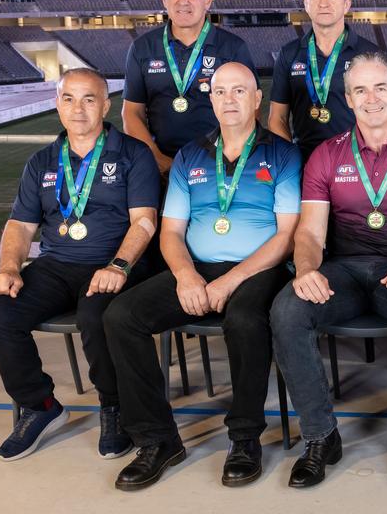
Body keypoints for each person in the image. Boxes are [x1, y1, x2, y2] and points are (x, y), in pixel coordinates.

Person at [104, 62, 301, 490]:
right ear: (210, 100)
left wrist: (231, 282)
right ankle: (157, 439)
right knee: (121, 316)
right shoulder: (191, 155)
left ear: (256, 99)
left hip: (259, 267)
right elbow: (171, 230)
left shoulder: (282, 154)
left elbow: (287, 236)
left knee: (245, 320)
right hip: (198, 267)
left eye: (239, 91)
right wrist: (186, 276)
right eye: (220, 91)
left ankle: (245, 438)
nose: (229, 99)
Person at [270, 52, 387, 488]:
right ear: (348, 100)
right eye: (360, 90)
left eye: (380, 88)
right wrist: (306, 270)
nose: (371, 98)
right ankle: (320, 436)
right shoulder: (325, 156)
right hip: (344, 271)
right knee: (287, 310)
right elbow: (310, 234)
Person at [0, 68, 159, 461]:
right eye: (68, 98)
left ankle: (114, 407)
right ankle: (40, 406)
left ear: (105, 105)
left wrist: (119, 266)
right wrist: (9, 268)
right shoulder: (41, 160)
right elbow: (20, 225)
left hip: (117, 265)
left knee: (96, 316)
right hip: (55, 267)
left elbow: (144, 220)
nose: (78, 109)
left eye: (89, 99)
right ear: (57, 104)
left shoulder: (132, 153)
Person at [122, 0, 253, 174]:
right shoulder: (142, 48)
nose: (183, 0)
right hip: (159, 167)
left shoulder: (233, 48)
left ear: (207, 0)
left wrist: (227, 161)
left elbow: (249, 114)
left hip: (219, 166)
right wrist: (158, 161)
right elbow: (131, 113)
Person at [269, 0, 381, 160]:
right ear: (305, 3)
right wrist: (290, 161)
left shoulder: (369, 53)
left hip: (356, 163)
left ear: (347, 4)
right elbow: (277, 118)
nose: (323, 3)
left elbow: (382, 119)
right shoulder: (289, 54)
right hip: (304, 162)